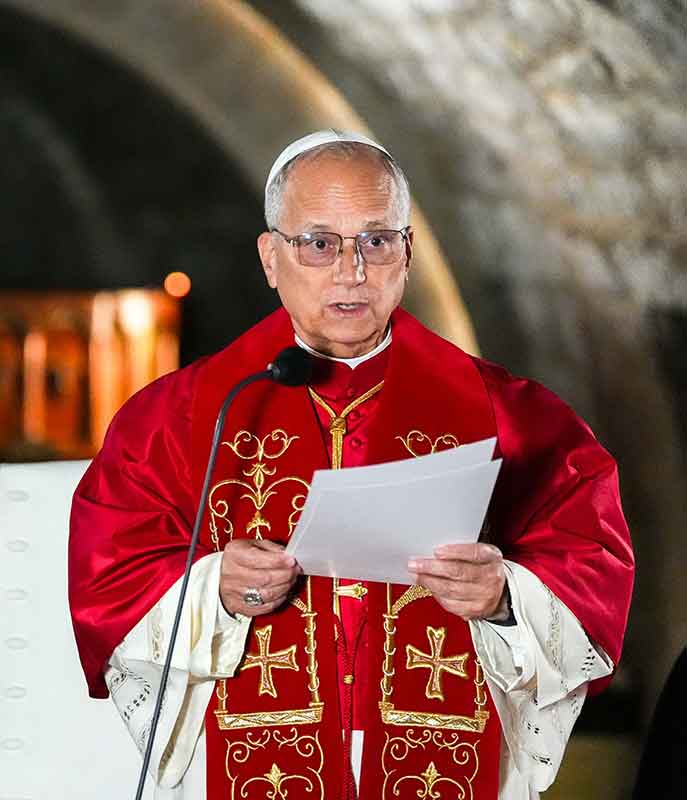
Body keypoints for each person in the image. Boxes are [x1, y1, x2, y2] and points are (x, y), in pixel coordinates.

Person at [69, 129, 634, 800]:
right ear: (270, 257)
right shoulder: (178, 417)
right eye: (318, 243)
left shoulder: (516, 417)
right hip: (252, 758)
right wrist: (213, 588)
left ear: (407, 253)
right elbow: (109, 584)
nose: (351, 271)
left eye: (376, 240)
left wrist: (505, 597)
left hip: (444, 755)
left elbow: (593, 569)